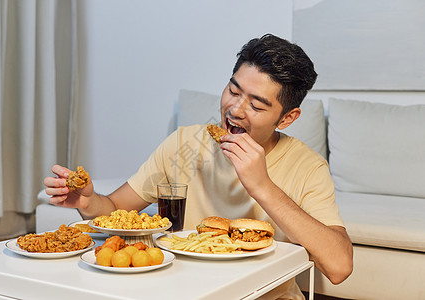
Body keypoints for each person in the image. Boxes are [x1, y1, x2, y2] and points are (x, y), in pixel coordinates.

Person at [45, 34, 353, 299]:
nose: (235, 109)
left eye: (257, 105)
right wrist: (87, 201)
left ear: (286, 118)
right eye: (233, 91)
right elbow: (114, 207)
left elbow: (339, 267)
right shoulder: (184, 143)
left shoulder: (308, 167)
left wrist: (262, 187)